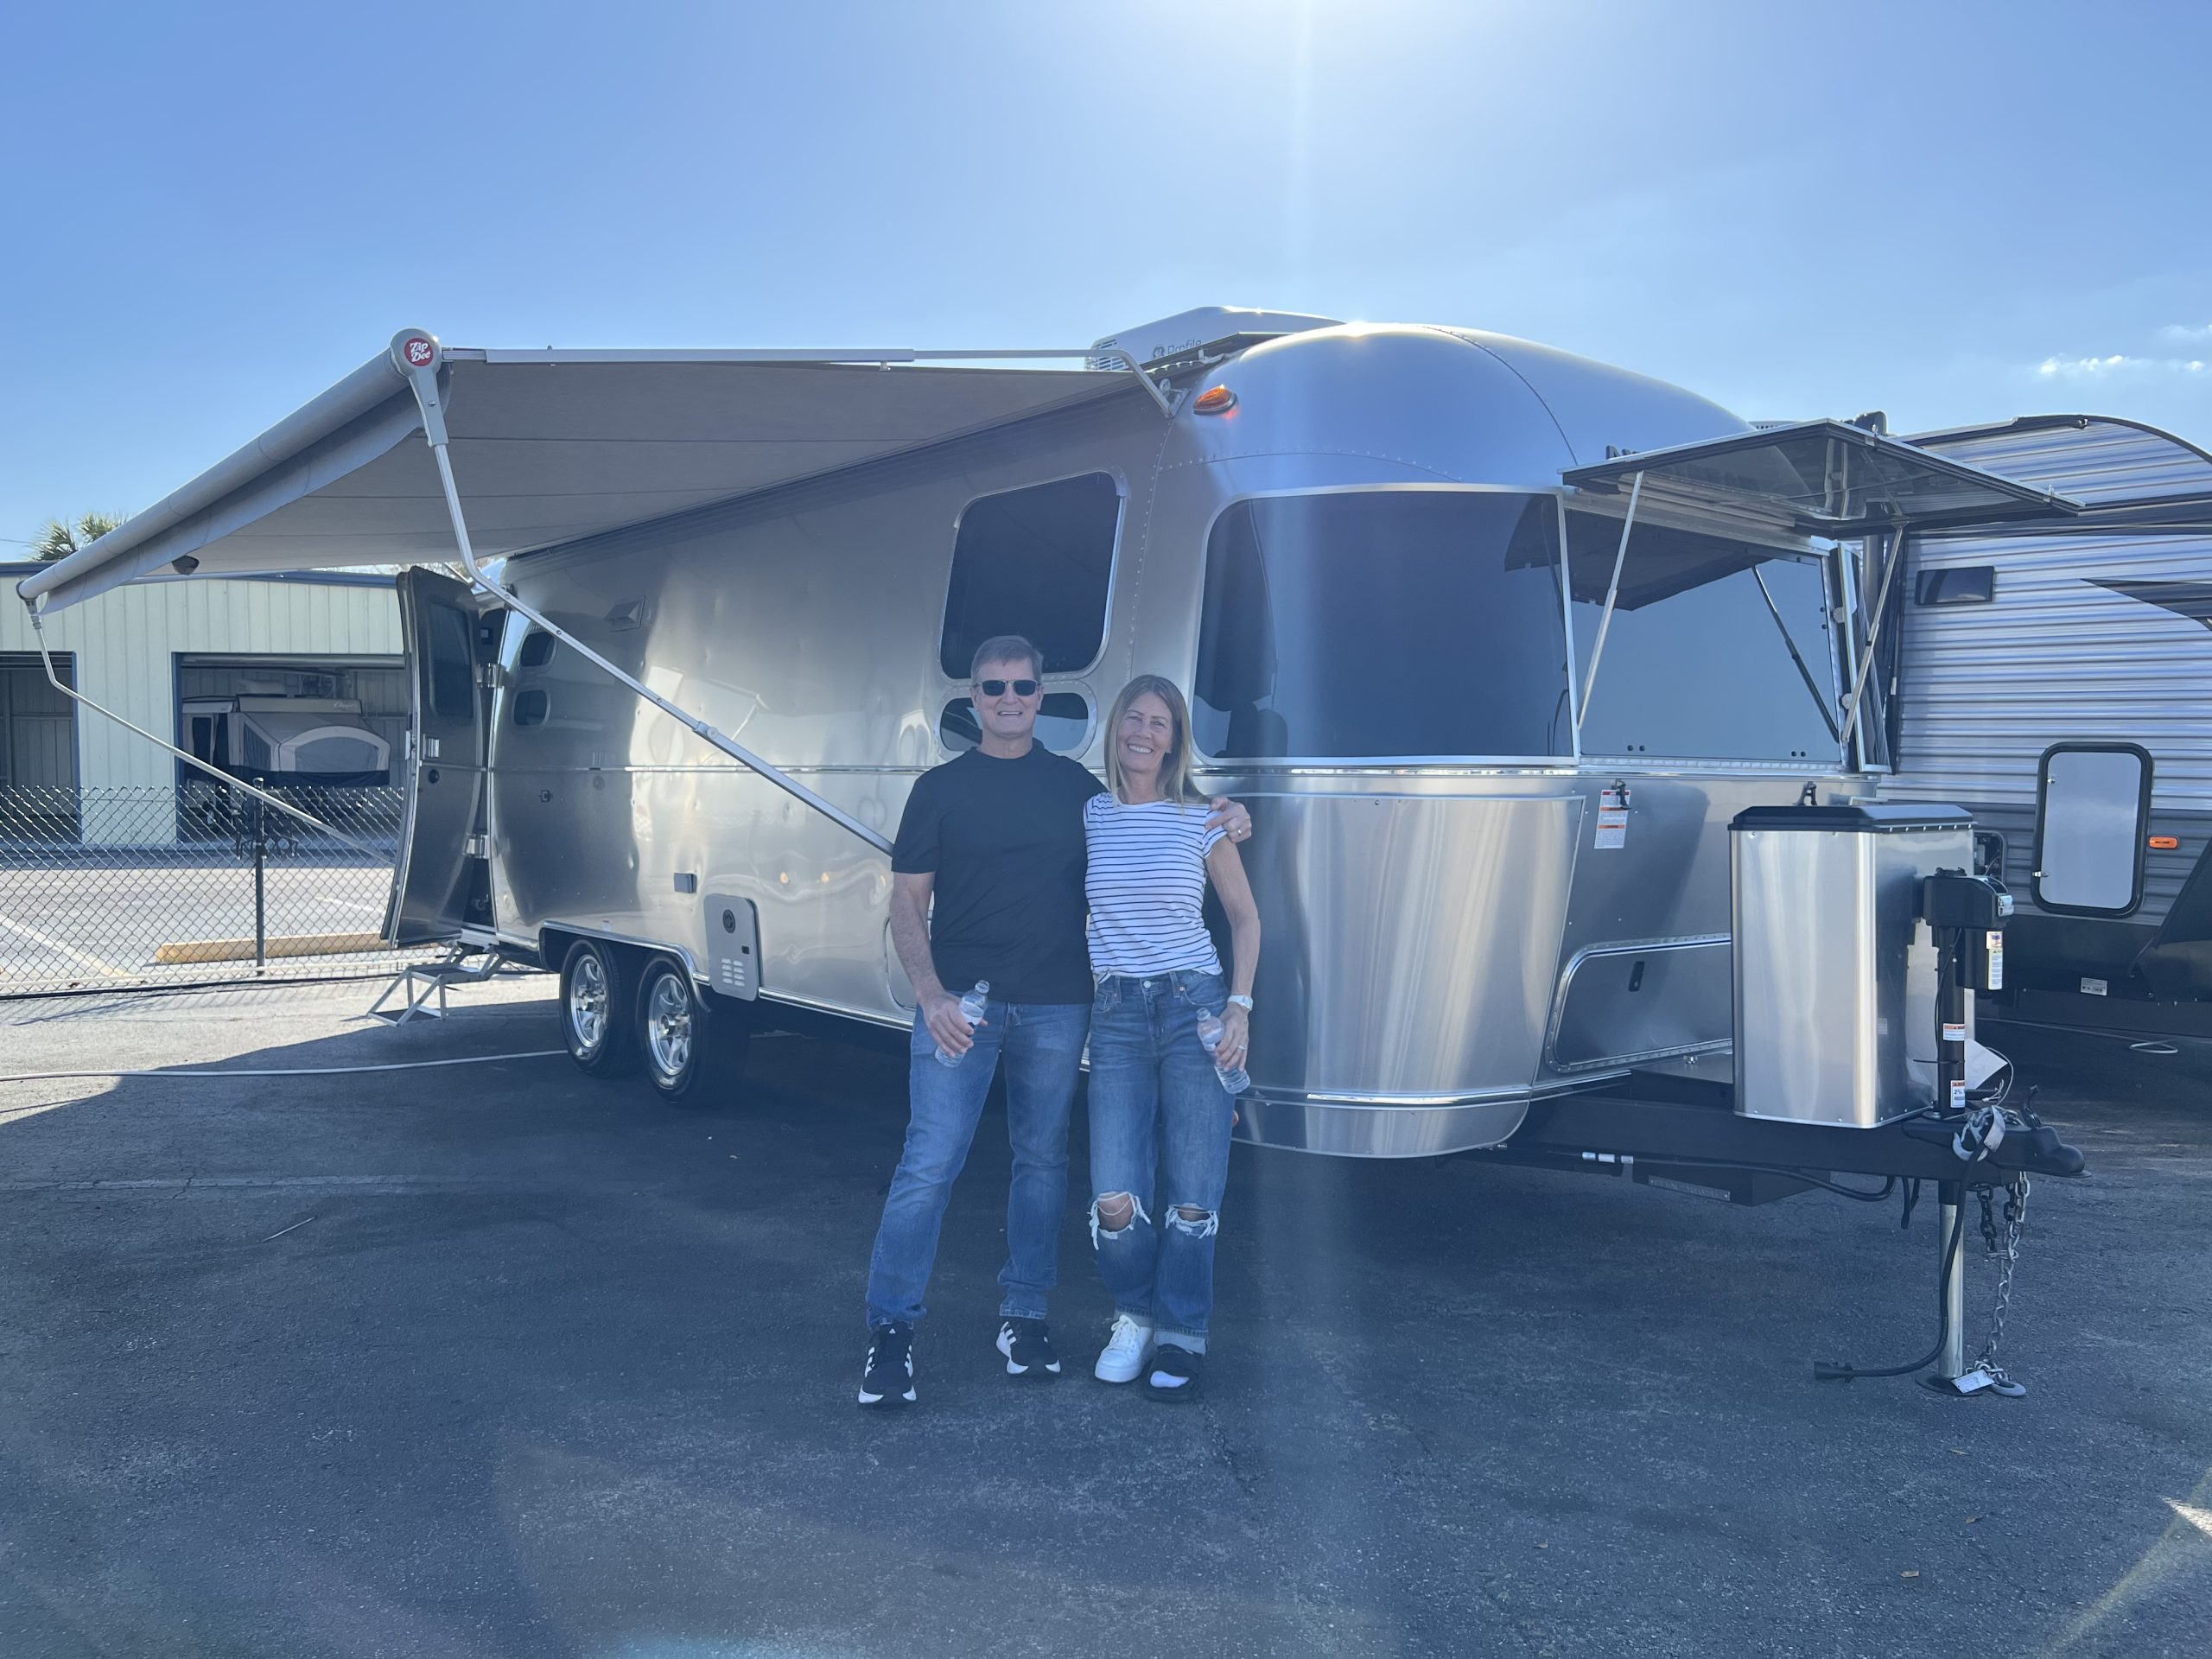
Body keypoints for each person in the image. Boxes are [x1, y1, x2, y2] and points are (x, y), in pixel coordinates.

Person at [859, 638, 1251, 1408]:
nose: (1009, 698)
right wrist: (930, 996)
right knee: (929, 1162)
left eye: (1022, 687)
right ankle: (890, 1330)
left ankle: (1026, 1318)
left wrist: (1232, 812)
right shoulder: (937, 790)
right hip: (960, 1009)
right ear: (973, 697)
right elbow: (907, 902)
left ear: (1043, 697)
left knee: (1041, 1163)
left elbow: (1161, 820)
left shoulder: (1081, 795)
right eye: (993, 687)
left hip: (1060, 1005)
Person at [1084, 675, 1261, 1402]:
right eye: (1134, 718)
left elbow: (1245, 919)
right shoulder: (1091, 812)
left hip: (1197, 1009)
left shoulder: (1202, 819)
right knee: (1114, 1194)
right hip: (1117, 1013)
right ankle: (1133, 1314)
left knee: (1194, 1192)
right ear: (1117, 728)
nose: (1144, 733)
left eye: (1159, 723)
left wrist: (1241, 1008)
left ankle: (1182, 1333)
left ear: (1174, 739)